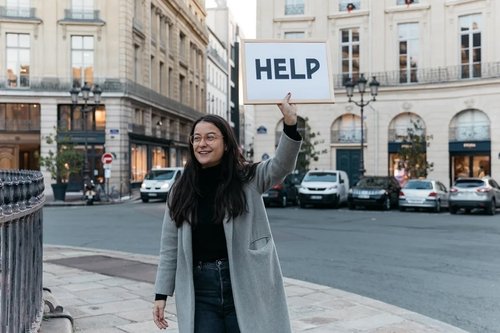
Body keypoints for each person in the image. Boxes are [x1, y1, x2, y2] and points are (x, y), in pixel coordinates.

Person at [153, 93, 302, 333]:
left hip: (244, 282)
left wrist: (290, 124)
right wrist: (161, 294)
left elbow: (281, 166)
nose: (202, 144)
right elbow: (169, 247)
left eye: (210, 137)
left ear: (226, 143)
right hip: (201, 290)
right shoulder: (180, 189)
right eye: (197, 138)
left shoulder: (248, 178)